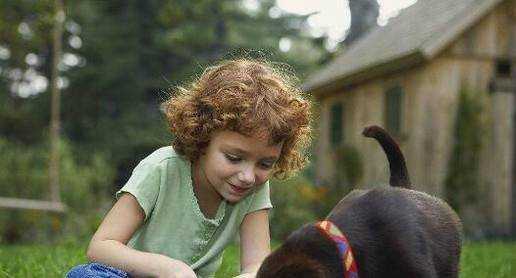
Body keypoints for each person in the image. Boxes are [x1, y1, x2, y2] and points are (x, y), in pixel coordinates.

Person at [66, 58, 312, 278]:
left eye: (265, 163)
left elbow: (257, 264)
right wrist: (169, 269)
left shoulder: (256, 187)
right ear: (203, 139)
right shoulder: (161, 168)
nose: (248, 176)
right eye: (234, 158)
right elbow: (100, 247)